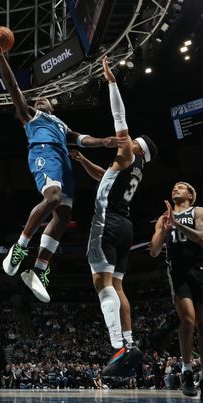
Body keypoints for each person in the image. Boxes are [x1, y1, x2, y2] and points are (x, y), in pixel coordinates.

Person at [0, 32, 117, 303]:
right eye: (37, 100)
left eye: (44, 99)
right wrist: (1, 56)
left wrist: (103, 141)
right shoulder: (32, 117)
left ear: (53, 106)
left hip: (64, 163)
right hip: (43, 154)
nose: (40, 100)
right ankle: (20, 247)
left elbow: (83, 139)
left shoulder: (61, 125)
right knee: (54, 198)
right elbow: (13, 88)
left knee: (62, 217)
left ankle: (38, 270)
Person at [76, 57, 156, 378]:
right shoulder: (134, 168)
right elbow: (103, 178)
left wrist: (111, 82)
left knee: (101, 283)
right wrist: (81, 158)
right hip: (125, 225)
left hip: (107, 222)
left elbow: (118, 117)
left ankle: (117, 346)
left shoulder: (127, 154)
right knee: (118, 287)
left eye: (132, 139)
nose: (128, 138)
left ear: (137, 147)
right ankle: (130, 341)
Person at [149, 181, 203, 402]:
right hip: (177, 271)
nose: (175, 189)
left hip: (200, 267)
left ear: (190, 194)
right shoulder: (163, 218)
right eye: (173, 187)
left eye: (181, 186)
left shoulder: (198, 211)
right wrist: (167, 229)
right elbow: (154, 251)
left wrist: (179, 224)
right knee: (187, 320)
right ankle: (187, 371)